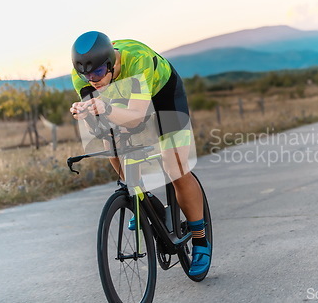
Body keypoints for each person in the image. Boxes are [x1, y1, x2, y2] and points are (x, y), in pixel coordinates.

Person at [69, 31, 211, 276]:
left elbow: (136, 117)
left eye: (98, 73)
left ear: (111, 64)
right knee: (110, 140)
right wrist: (86, 114)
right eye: (86, 75)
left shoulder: (138, 59)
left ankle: (200, 239)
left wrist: (107, 107)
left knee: (175, 166)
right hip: (123, 99)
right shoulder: (82, 77)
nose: (92, 80)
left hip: (163, 96)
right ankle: (140, 197)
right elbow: (99, 125)